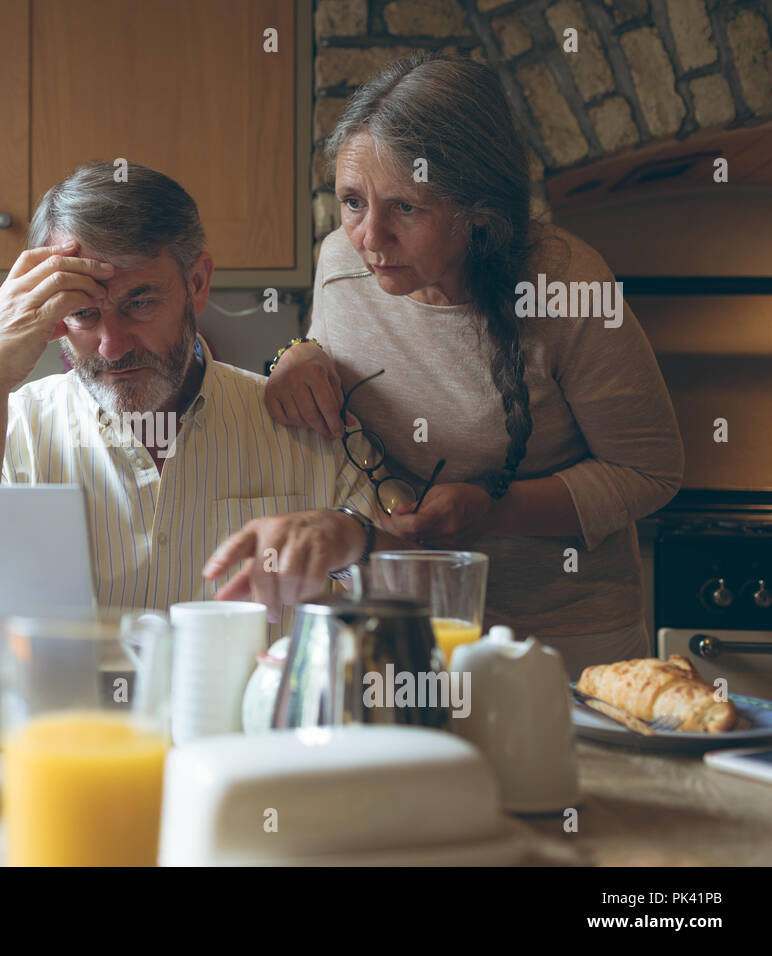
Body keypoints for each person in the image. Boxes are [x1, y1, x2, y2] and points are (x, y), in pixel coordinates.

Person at [264, 52, 684, 675]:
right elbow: (337, 376)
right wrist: (293, 358)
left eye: (405, 207)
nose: (370, 237)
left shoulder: (568, 285)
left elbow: (650, 472)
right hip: (400, 626)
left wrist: (495, 508)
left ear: (479, 213)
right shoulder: (342, 263)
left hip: (561, 641)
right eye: (353, 201)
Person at [0, 162, 407, 625]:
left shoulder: (309, 426)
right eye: (84, 313)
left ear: (197, 282)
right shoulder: (12, 430)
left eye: (139, 302)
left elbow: (419, 599)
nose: (112, 345)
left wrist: (352, 540)